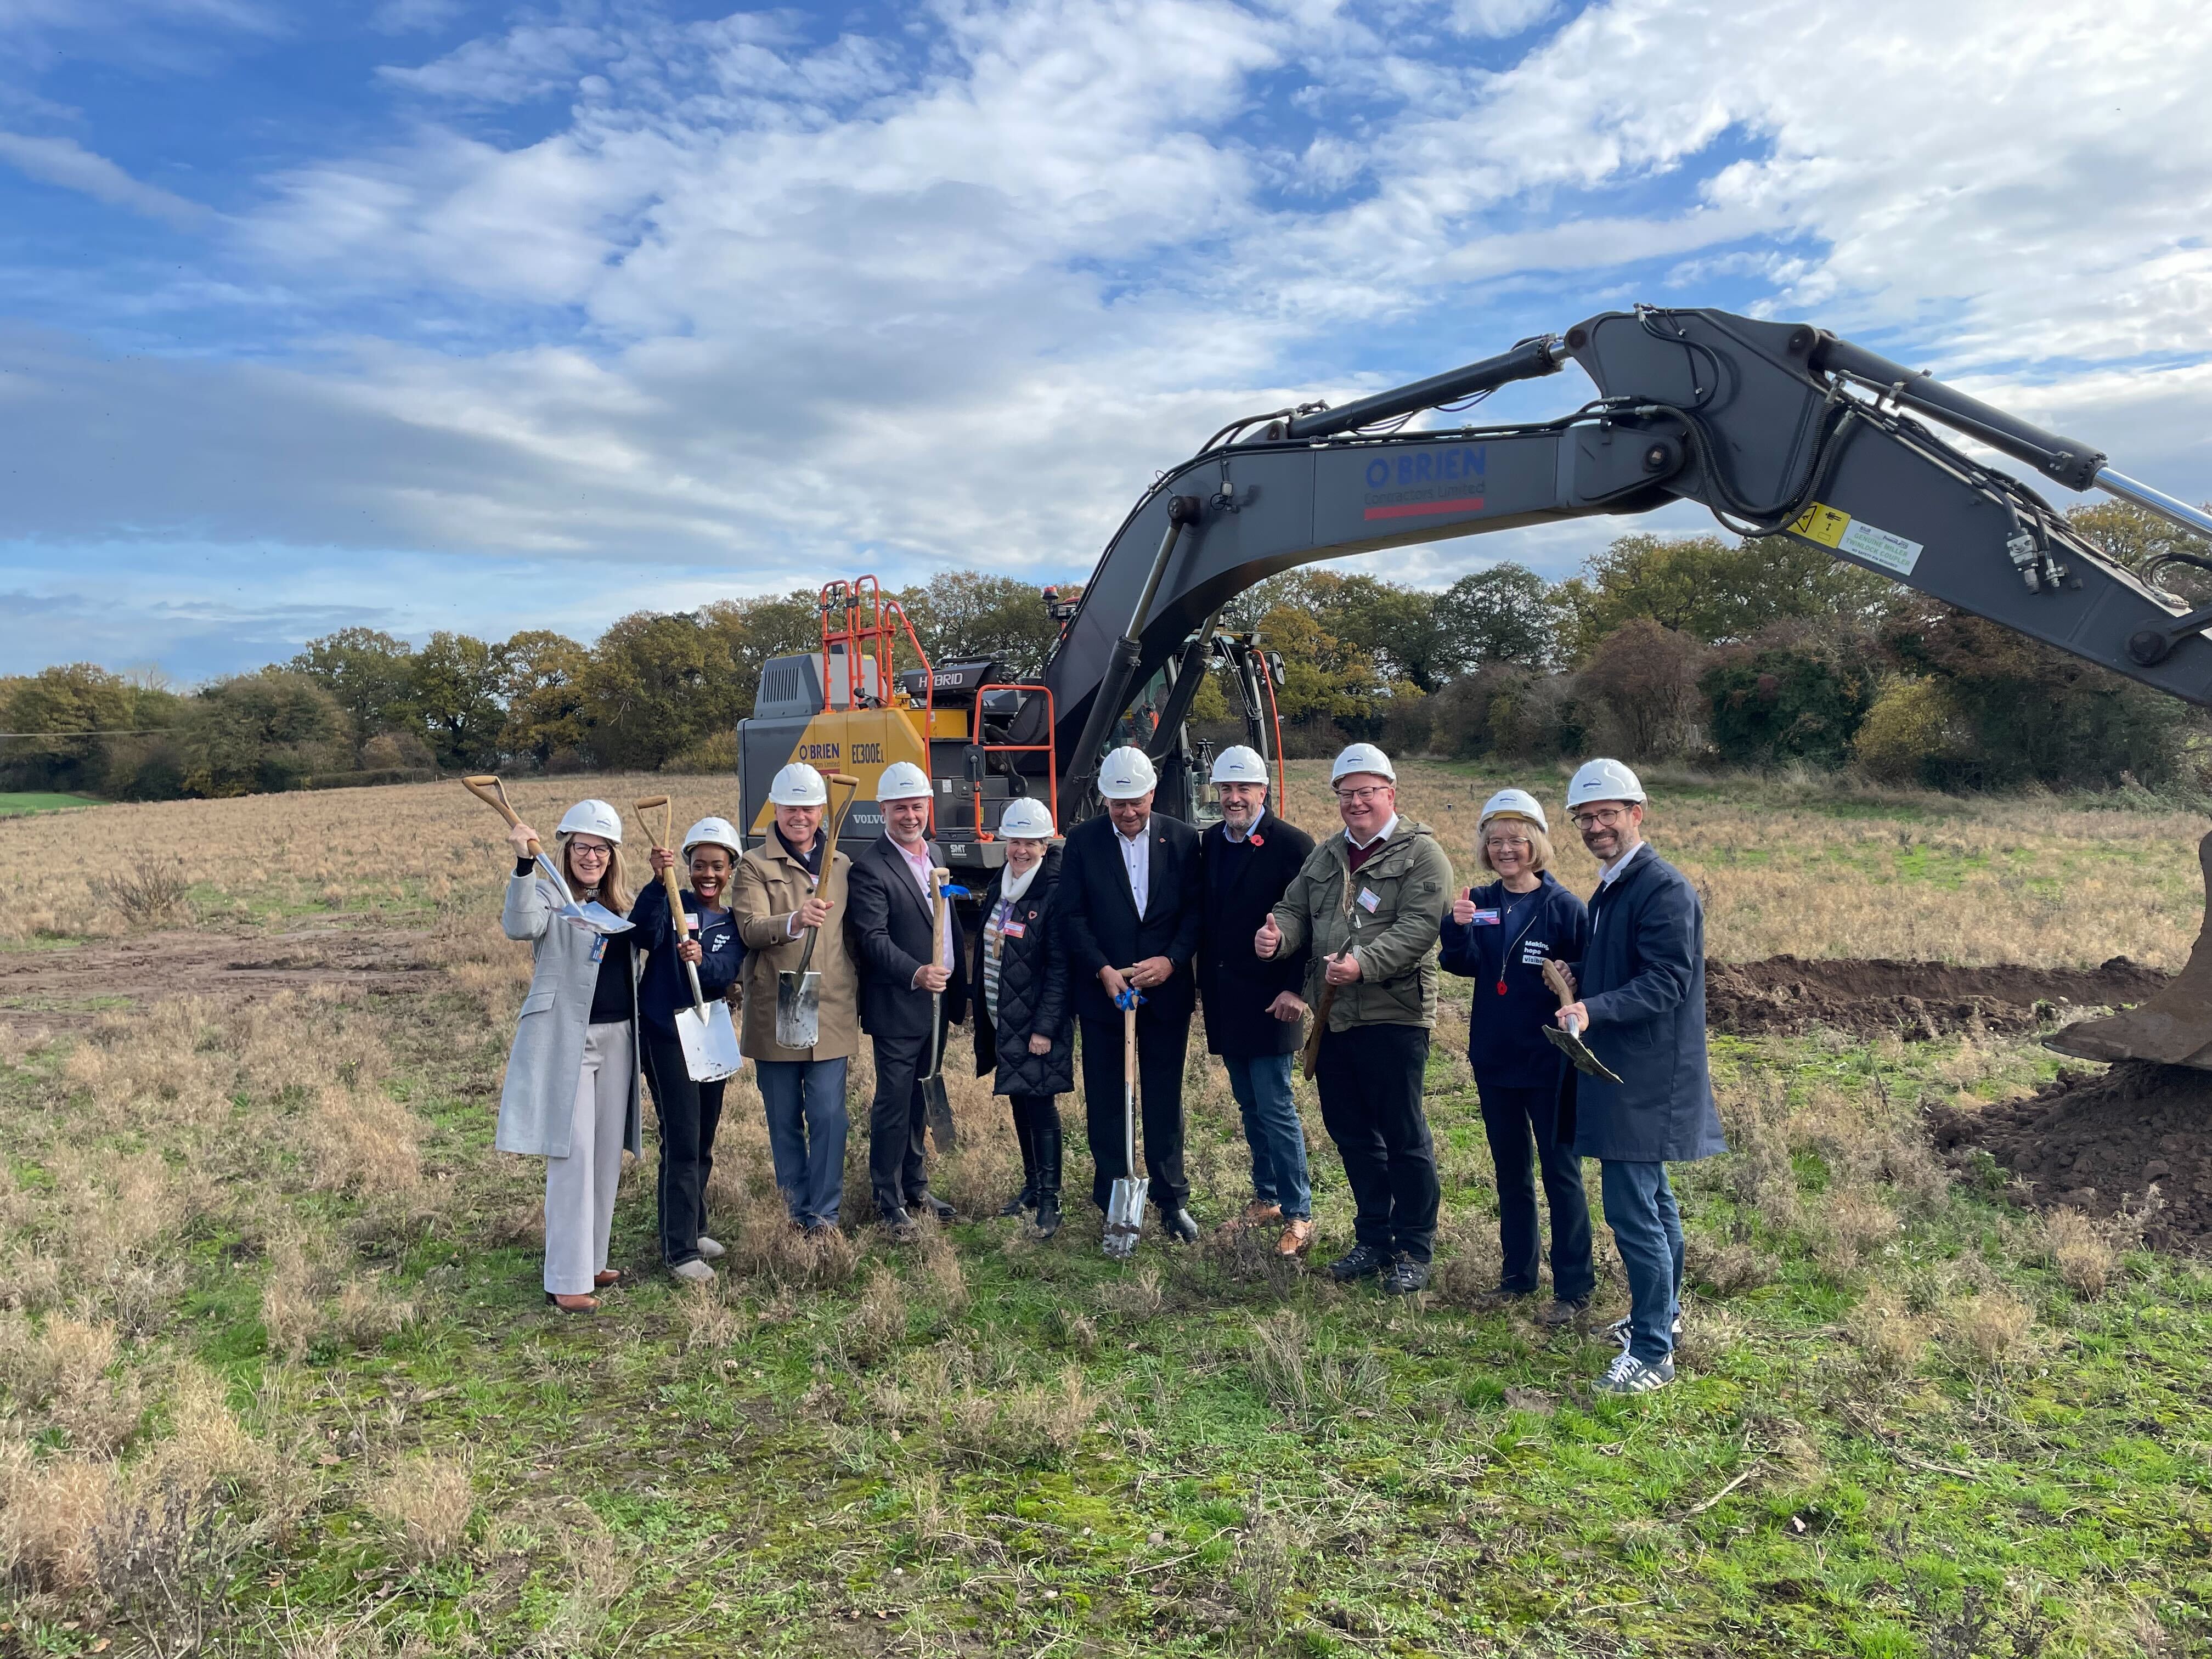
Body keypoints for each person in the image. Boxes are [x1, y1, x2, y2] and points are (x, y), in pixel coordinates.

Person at [1551, 758, 1726, 1395]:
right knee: (1654, 1203)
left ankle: (1652, 1353)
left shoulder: (1662, 888)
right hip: (1629, 1069)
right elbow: (1629, 964)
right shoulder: (1615, 886)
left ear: (1637, 814)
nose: (1596, 826)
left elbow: (1668, 980)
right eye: (1585, 817)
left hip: (1649, 1076)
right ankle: (1664, 1320)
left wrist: (1593, 1008)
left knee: (1634, 1213)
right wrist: (1580, 975)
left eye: (1607, 814)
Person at [1258, 743, 1452, 1294]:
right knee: (1351, 1134)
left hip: (1395, 1015)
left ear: (1391, 793)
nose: (1357, 803)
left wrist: (1362, 964)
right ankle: (1374, 1238)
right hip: (1333, 1017)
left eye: (1367, 792)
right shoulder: (1325, 856)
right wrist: (1277, 936)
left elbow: (1419, 929)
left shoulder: (1422, 856)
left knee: (1402, 1134)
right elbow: (1294, 909)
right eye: (1347, 794)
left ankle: (1414, 1246)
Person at [1437, 788, 1594, 1322]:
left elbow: (1586, 976)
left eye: (1516, 841)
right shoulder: (1478, 901)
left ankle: (1573, 1289)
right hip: (1494, 1059)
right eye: (1496, 841)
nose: (1506, 850)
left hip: (1548, 1062)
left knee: (1561, 1174)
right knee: (1511, 1173)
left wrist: (1575, 979)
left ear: (1537, 845)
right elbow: (1458, 963)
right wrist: (1456, 929)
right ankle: (1517, 1277)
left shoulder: (1566, 909)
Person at [495, 799, 644, 1313]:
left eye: (601, 849)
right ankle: (564, 1276)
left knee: (605, 1153)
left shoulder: (619, 904)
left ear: (612, 856)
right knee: (573, 1153)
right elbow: (519, 926)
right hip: (568, 1040)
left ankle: (592, 1259)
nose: (592, 857)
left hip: (620, 1036)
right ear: (567, 848)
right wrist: (521, 863)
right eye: (583, 847)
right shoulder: (543, 894)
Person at [1059, 746, 1205, 1244]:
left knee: (1164, 1098)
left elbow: (1195, 913)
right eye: (1117, 804)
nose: (1127, 812)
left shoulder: (1184, 840)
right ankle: (1113, 1193)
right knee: (1106, 1098)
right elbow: (1072, 916)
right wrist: (1101, 968)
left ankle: (1171, 1199)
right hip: (1105, 994)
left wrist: (1172, 960)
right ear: (1104, 799)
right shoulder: (1081, 843)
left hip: (1166, 993)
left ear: (1152, 794)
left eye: (1135, 802)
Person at [1195, 745, 1317, 1257]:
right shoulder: (1209, 843)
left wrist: (1297, 989)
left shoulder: (1292, 845)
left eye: (1244, 788)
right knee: (1249, 1104)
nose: (1234, 798)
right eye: (1226, 789)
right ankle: (1266, 1197)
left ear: (1263, 791)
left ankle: (1298, 1211)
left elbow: (1313, 922)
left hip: (1274, 998)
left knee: (1275, 1104)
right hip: (1227, 997)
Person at [847, 760, 968, 1243]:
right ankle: (888, 1198)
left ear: (928, 808)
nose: (910, 816)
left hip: (935, 1007)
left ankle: (916, 1188)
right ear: (883, 811)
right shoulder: (870, 869)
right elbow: (873, 939)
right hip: (899, 1006)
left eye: (917, 806)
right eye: (901, 808)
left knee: (921, 1097)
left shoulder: (933, 853)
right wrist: (916, 973)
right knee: (894, 1104)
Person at [732, 763, 856, 1237]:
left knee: (829, 1114)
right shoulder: (753, 865)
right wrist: (793, 920)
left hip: (831, 1005)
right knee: (784, 1117)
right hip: (778, 1006)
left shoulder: (841, 865)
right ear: (776, 809)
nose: (799, 817)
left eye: (808, 808)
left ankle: (825, 1216)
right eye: (790, 808)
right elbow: (749, 929)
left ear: (822, 811)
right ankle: (795, 1212)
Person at [633, 814, 745, 1283]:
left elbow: (728, 970)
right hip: (666, 1032)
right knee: (680, 1139)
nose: (708, 874)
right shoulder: (670, 903)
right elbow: (640, 935)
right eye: (699, 865)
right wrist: (659, 885)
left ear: (730, 868)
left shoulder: (730, 921)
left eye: (717, 866)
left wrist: (707, 959)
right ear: (687, 866)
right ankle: (678, 1251)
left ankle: (695, 1228)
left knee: (703, 1137)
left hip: (710, 1031)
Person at [970, 798, 1073, 1239]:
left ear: (1045, 844)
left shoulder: (1051, 891)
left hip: (1034, 1024)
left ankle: (1051, 1198)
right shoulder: (1003, 884)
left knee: (1041, 1105)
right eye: (1015, 841)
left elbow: (1059, 968)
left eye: (1031, 842)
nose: (1021, 850)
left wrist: (1045, 1029)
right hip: (1003, 1016)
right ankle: (1032, 1186)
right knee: (1019, 1096)